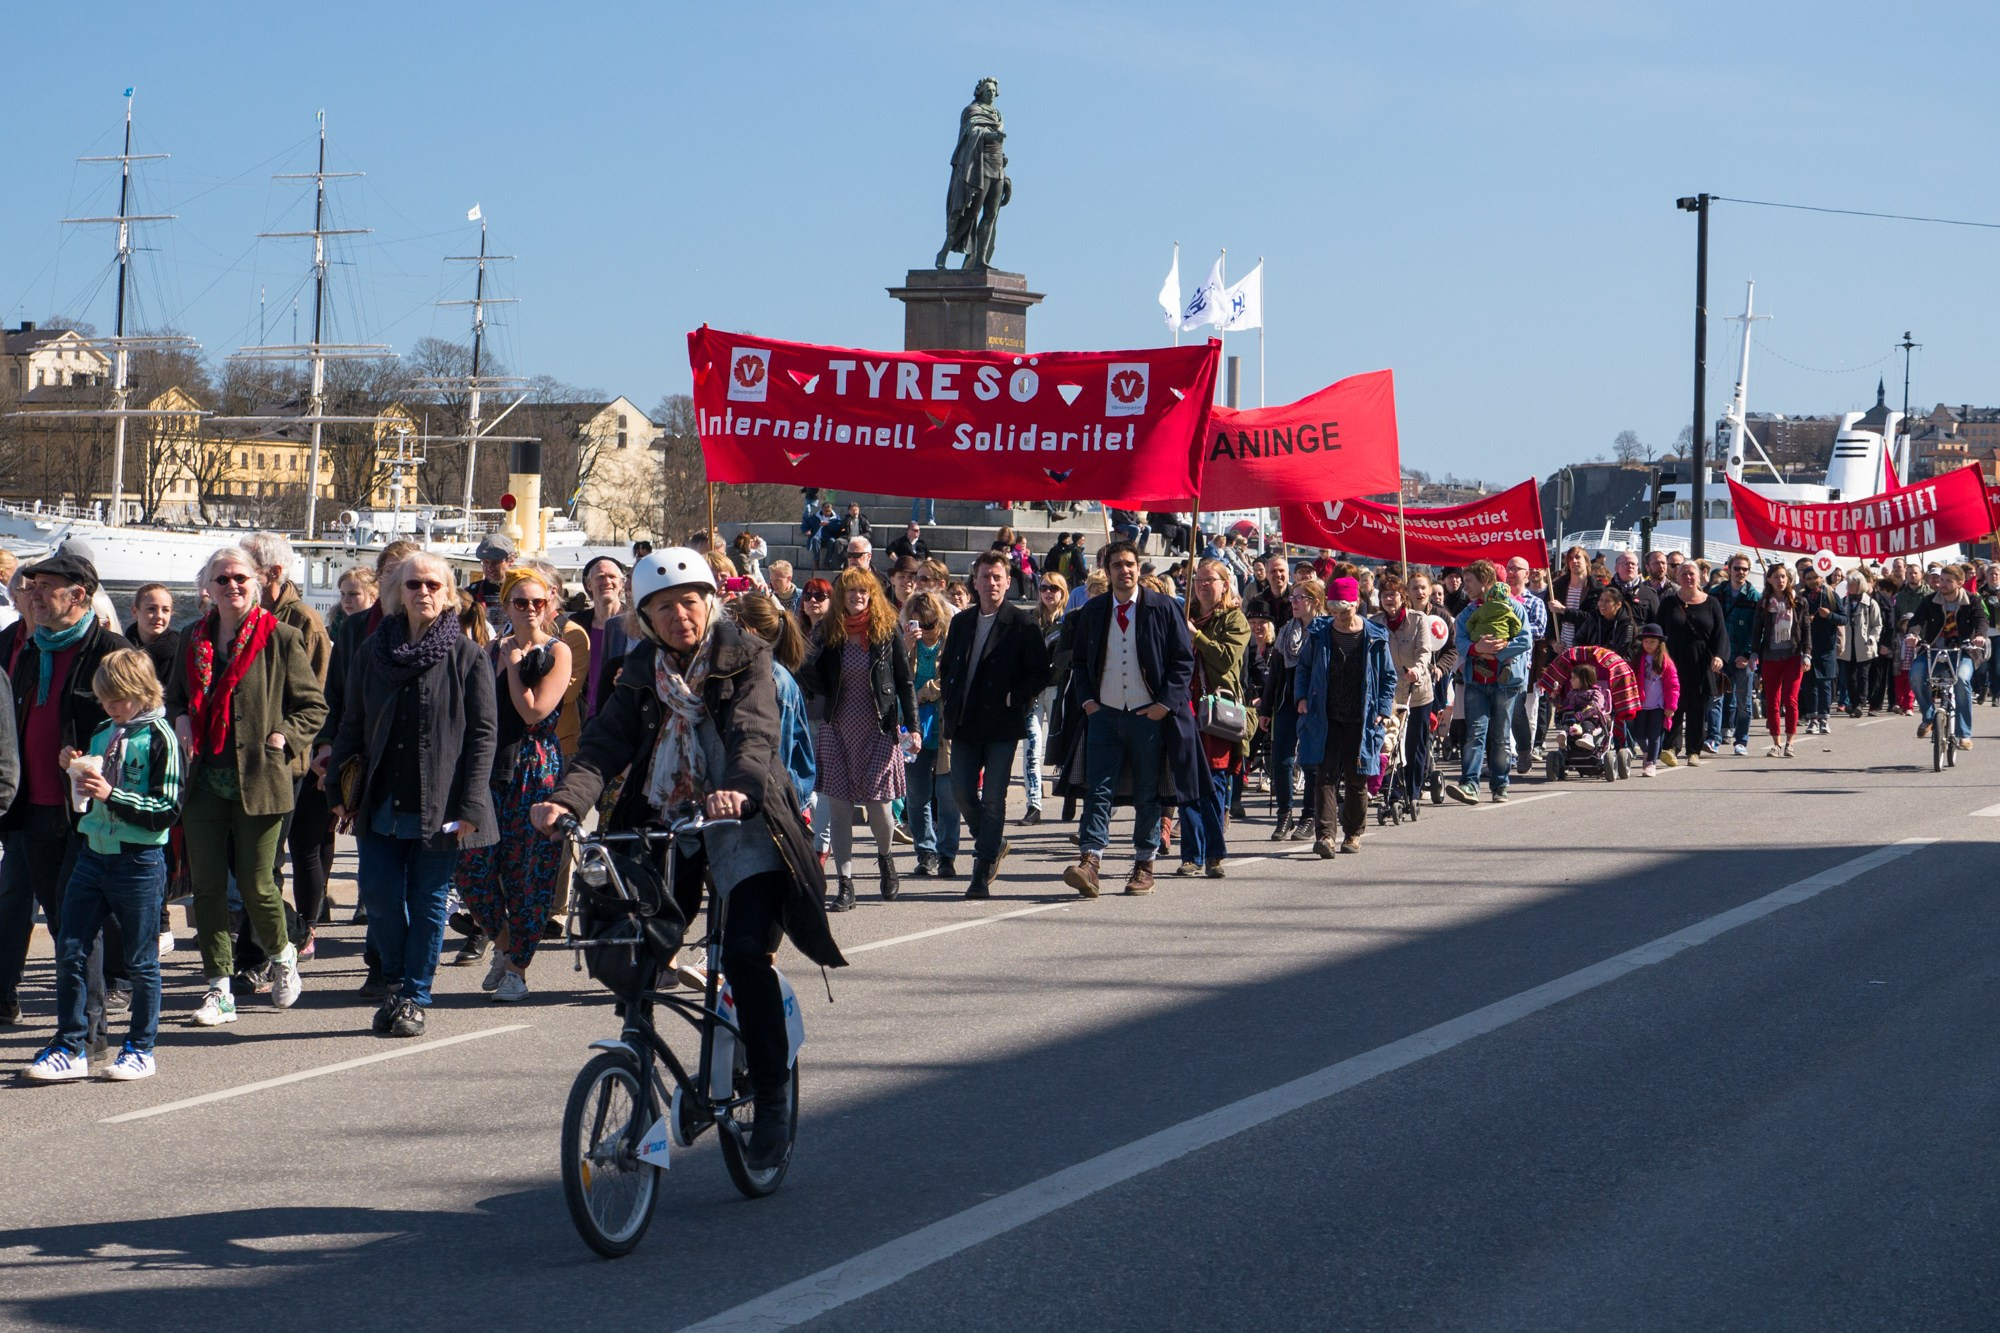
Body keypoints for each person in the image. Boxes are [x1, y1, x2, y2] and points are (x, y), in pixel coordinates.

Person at [533, 546, 844, 1171]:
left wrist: (739, 788)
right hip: (666, 820)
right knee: (630, 946)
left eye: (690, 602)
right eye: (665, 607)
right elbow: (604, 743)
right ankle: (637, 1064)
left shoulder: (748, 656)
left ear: (711, 602)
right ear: (645, 619)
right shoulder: (640, 668)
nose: (680, 615)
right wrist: (565, 800)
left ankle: (772, 1100)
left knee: (745, 954)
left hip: (745, 818)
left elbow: (755, 734)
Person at [327, 551, 496, 1038]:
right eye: (414, 585)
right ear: (398, 594)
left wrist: (472, 805)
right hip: (380, 800)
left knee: (428, 901)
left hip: (441, 803)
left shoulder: (468, 656)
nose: (423, 592)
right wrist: (337, 783)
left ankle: (414, 996)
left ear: (449, 595)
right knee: (378, 895)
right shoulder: (373, 650)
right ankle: (400, 981)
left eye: (433, 585)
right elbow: (352, 720)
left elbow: (483, 735)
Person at [167, 546, 326, 1027]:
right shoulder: (192, 637)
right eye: (222, 579)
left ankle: (283, 954)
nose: (232, 586)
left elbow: (313, 706)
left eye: (240, 578)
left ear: (255, 583)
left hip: (260, 779)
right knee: (208, 888)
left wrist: (284, 737)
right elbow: (175, 696)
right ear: (208, 587)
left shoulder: (281, 637)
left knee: (257, 884)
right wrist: (180, 719)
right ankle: (219, 987)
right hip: (204, 781)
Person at [27, 650, 175, 1082]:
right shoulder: (101, 732)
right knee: (71, 948)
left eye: (118, 698)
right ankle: (71, 1045)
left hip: (138, 860)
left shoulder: (160, 737)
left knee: (140, 960)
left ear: (142, 692)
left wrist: (111, 793)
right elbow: (87, 799)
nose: (110, 706)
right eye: (104, 698)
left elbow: (166, 809)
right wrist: (72, 771)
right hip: (93, 853)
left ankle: (141, 1048)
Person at [0, 554, 126, 1030]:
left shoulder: (111, 651)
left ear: (78, 594)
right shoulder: (32, 650)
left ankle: (86, 1031)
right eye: (30, 585)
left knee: (78, 923)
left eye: (44, 586)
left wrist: (94, 757)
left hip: (88, 809)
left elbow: (141, 726)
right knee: (59, 921)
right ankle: (81, 1026)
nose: (32, 594)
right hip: (33, 807)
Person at [450, 567, 572, 1003]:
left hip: (535, 769)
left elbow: (533, 712)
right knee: (472, 869)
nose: (531, 610)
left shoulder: (557, 651)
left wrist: (517, 667)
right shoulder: (488, 649)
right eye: (521, 602)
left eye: (538, 602)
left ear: (550, 604)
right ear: (505, 606)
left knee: (528, 874)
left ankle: (517, 970)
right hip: (489, 767)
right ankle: (504, 946)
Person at [1059, 540, 1201, 898]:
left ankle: (1144, 864)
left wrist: (1164, 705)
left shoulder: (1163, 607)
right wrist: (1088, 702)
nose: (1125, 570)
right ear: (1107, 572)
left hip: (1147, 715)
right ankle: (1090, 860)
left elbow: (1183, 661)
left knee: (1147, 793)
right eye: (1117, 565)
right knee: (1098, 790)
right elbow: (1079, 662)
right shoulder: (1094, 610)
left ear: (1139, 568)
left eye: (1130, 564)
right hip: (1104, 714)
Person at [242, 531, 336, 965]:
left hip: (286, 762)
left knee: (269, 861)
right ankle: (288, 933)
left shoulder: (303, 622)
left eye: (247, 570)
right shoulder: (240, 617)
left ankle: (270, 949)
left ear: (272, 573)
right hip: (243, 758)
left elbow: (316, 697)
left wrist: (293, 743)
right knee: (247, 862)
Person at [939, 550, 1051, 897]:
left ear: (1008, 581)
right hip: (965, 721)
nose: (991, 583)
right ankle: (994, 841)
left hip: (1001, 723)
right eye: (985, 576)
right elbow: (949, 666)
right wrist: (950, 696)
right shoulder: (962, 622)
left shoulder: (1022, 623)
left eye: (997, 577)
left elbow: (1040, 673)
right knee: (961, 792)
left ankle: (982, 867)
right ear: (974, 582)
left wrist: (1014, 697)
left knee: (993, 798)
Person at [801, 567, 915, 911]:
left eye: (863, 591)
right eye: (850, 591)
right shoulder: (828, 631)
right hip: (837, 726)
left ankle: (885, 857)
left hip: (879, 726)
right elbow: (809, 674)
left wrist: (913, 727)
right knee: (839, 809)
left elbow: (904, 681)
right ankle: (845, 884)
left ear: (872, 595)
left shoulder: (885, 629)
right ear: (841, 596)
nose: (857, 596)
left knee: (880, 808)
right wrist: (809, 657)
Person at [1295, 575, 1396, 856]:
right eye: (1334, 610)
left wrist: (1383, 710)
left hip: (1362, 718)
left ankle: (1353, 833)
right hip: (1325, 716)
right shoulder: (1319, 633)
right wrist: (1302, 697)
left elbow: (1388, 677)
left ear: (1355, 604)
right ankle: (1325, 836)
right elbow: (1303, 668)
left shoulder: (1375, 636)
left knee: (1356, 777)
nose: (1339, 616)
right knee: (1324, 776)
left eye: (1344, 609)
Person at [1180, 559, 1249, 875]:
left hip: (1216, 709)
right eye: (1198, 580)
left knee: (1214, 781)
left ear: (1224, 584)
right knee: (1187, 783)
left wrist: (1196, 637)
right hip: (1185, 707)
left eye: (1209, 580)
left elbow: (1225, 659)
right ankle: (1191, 855)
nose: (1202, 585)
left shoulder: (1235, 619)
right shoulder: (1185, 614)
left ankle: (1214, 854)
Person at [1446, 561, 1532, 805]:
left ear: (1485, 581)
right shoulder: (1467, 613)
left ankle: (1500, 784)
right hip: (1476, 681)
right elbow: (1460, 641)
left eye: (1469, 581)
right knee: (1475, 734)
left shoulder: (1514, 607)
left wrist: (1497, 652)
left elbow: (1525, 640)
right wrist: (1477, 648)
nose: (1465, 587)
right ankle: (1469, 784)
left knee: (1501, 735)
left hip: (1506, 682)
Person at [1374, 572, 1451, 815]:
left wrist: (1417, 670)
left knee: (1414, 744)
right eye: (1385, 595)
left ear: (1402, 597)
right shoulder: (1375, 623)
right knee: (1389, 743)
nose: (1389, 600)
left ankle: (1414, 791)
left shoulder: (1418, 620)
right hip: (1389, 694)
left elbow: (1425, 651)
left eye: (1394, 595)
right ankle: (1393, 791)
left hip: (1417, 692)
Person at [902, 591, 961, 879]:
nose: (924, 629)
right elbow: (895, 681)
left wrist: (924, 692)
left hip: (945, 729)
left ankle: (947, 854)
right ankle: (926, 851)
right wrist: (905, 647)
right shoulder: (904, 644)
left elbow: (951, 679)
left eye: (929, 623)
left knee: (948, 796)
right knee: (917, 796)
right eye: (918, 623)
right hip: (913, 730)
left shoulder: (951, 643)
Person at [1907, 564, 1989, 751]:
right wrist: (1912, 634)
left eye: (1948, 581)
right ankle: (1929, 717)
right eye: (1941, 580)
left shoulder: (1972, 600)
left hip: (1963, 651)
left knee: (1961, 679)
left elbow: (1981, 620)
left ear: (1960, 583)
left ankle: (1964, 734)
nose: (1942, 584)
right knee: (1916, 674)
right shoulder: (1930, 600)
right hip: (1933, 650)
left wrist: (1980, 636)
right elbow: (1917, 621)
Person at [1656, 559, 1730, 766]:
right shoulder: (1668, 603)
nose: (1688, 577)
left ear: (1699, 576)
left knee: (1698, 708)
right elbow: (1658, 632)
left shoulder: (1712, 602)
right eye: (1683, 574)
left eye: (1691, 574)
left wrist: (1719, 656)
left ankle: (1693, 751)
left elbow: (1721, 634)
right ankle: (1670, 747)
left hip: (1702, 663)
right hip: (1673, 663)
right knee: (1674, 705)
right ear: (1677, 577)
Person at [1019, 571, 1070, 826]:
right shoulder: (1029, 619)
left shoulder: (1069, 620)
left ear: (1063, 592)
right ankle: (1034, 804)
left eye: (1054, 588)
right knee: (1031, 748)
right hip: (1034, 692)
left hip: (1060, 690)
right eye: (1043, 588)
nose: (1048, 592)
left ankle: (1070, 795)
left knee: (1065, 747)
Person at [1750, 564, 1807, 758]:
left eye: (1783, 577)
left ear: (1788, 579)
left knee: (1790, 700)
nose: (1780, 580)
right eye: (1776, 577)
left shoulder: (1799, 601)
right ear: (1769, 580)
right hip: (1771, 657)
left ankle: (1790, 742)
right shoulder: (1765, 602)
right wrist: (1754, 653)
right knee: (1772, 702)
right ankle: (1776, 743)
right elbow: (1757, 629)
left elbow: (1806, 629)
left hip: (1793, 656)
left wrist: (1807, 654)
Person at [569, 556, 633, 728]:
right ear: (589, 585)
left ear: (621, 583)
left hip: (622, 715)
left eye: (612, 577)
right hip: (582, 718)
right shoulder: (576, 624)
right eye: (600, 577)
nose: (607, 581)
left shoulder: (634, 623)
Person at [1710, 555, 1759, 755]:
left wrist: (1747, 655)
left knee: (1743, 703)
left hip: (1742, 657)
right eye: (1737, 568)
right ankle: (1713, 738)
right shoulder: (1715, 593)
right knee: (1715, 699)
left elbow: (1757, 630)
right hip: (1720, 655)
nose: (1741, 572)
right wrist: (1715, 652)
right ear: (1729, 569)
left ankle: (1741, 741)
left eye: (1744, 569)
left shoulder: (1754, 596)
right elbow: (1710, 625)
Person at [1795, 567, 1844, 736]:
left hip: (1826, 647)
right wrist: (1804, 620)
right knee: (1810, 684)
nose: (1812, 581)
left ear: (1821, 577)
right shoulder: (1801, 597)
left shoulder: (1831, 595)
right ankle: (1812, 719)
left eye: (1815, 577)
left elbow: (1844, 619)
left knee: (1825, 684)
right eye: (1808, 578)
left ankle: (1824, 718)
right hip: (1808, 646)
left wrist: (1829, 615)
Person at [1836, 571, 1885, 721]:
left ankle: (1860, 703)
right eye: (1849, 584)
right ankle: (1854, 702)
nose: (1850, 587)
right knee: (1849, 677)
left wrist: (1872, 638)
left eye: (1853, 584)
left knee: (1863, 676)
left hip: (1864, 645)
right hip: (1847, 646)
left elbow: (1877, 624)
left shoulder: (1870, 603)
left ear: (1860, 585)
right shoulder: (1843, 602)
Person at [1632, 625, 1679, 776]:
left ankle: (1651, 763)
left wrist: (1671, 706)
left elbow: (1673, 686)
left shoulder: (1666, 662)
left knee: (1654, 736)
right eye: (1645, 641)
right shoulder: (1638, 659)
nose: (1648, 645)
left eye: (1652, 641)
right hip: (1641, 704)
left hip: (1658, 705)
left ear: (1659, 643)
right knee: (1639, 735)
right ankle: (1646, 752)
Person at [1553, 662, 1613, 755]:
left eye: (1574, 678)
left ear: (1584, 680)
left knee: (1586, 724)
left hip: (1590, 719)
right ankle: (1563, 735)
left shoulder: (1595, 693)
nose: (1571, 680)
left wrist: (1582, 715)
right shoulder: (1572, 692)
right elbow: (1565, 705)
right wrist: (1557, 698)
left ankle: (1588, 738)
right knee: (1567, 723)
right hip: (1574, 719)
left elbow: (1595, 706)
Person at [125, 584, 180, 683]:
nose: (159, 616)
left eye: (165, 610)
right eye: (151, 609)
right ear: (135, 611)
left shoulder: (181, 650)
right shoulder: (121, 649)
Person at [467, 533, 516, 631]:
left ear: (511, 560)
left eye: (495, 562)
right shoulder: (471, 594)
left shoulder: (522, 593)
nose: (489, 568)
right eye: (485, 562)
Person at [1578, 584, 1639, 663]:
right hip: (1591, 663)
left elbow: (1621, 652)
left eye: (1607, 601)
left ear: (1618, 605)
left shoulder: (1626, 624)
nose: (1602, 604)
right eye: (1601, 600)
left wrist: (1600, 659)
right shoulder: (1593, 618)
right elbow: (1578, 639)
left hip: (1614, 664)